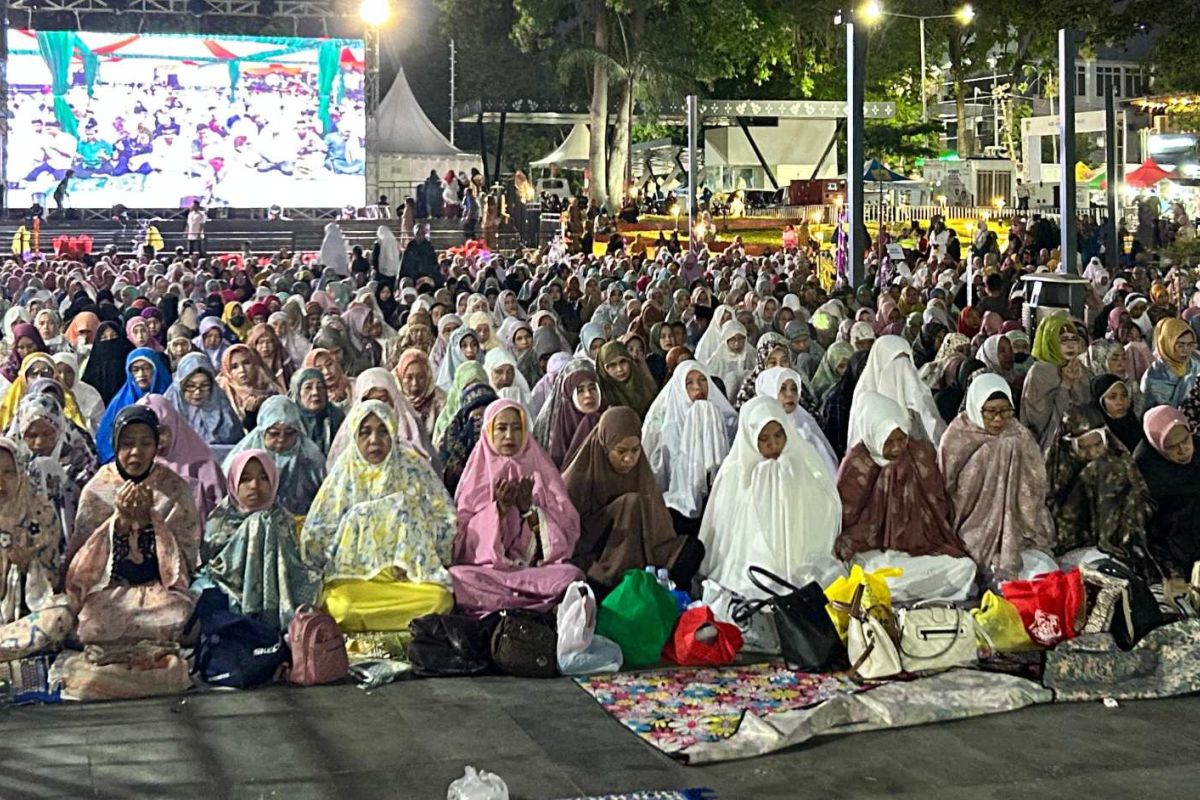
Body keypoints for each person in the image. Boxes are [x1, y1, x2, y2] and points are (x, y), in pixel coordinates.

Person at [300, 400, 455, 633]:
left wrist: (413, 557)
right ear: (355, 435)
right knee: (340, 607)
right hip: (356, 580)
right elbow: (317, 533)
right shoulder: (345, 472)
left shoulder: (413, 466)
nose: (375, 440)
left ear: (393, 432)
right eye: (365, 432)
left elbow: (445, 519)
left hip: (408, 581)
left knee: (439, 601)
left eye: (383, 431)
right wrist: (354, 523)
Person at [67, 406, 198, 644]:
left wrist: (151, 523)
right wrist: (120, 524)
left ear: (157, 446)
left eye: (146, 443)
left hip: (159, 589)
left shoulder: (175, 488)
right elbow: (83, 564)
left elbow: (186, 557)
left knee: (180, 616)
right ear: (116, 444)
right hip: (108, 588)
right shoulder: (97, 490)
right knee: (91, 624)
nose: (136, 452)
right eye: (127, 443)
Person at [835, 392, 976, 601]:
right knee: (881, 580)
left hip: (921, 546)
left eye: (901, 439)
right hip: (873, 550)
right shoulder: (858, 465)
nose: (897, 447)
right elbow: (845, 519)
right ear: (873, 435)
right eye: (888, 441)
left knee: (965, 567)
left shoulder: (917, 456)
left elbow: (937, 504)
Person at [699, 396, 843, 599]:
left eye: (779, 435)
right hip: (753, 558)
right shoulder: (736, 470)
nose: (773, 444)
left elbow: (824, 502)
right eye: (764, 439)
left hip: (799, 554)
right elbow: (726, 524)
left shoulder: (801, 460)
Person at [450, 400, 584, 615]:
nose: (510, 436)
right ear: (489, 432)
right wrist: (499, 510)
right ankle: (534, 603)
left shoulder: (540, 467)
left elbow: (566, 530)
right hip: (491, 572)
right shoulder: (477, 472)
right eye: (501, 428)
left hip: (534, 570)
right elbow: (462, 541)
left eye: (516, 428)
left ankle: (504, 604)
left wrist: (529, 510)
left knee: (571, 575)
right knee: (457, 577)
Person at [562, 407, 704, 592]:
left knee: (692, 549)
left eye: (635, 450)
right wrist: (618, 513)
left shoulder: (640, 471)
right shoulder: (578, 478)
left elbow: (658, 522)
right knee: (631, 505)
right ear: (605, 446)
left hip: (640, 542)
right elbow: (567, 535)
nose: (629, 459)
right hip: (597, 551)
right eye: (620, 451)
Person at [938, 374, 1056, 583]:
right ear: (976, 407)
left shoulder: (1019, 436)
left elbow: (1035, 485)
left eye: (1005, 411)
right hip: (970, 524)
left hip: (1019, 524)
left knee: (1041, 573)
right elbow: (945, 484)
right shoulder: (958, 436)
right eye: (990, 412)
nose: (999, 419)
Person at [197, 450, 321, 628]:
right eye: (245, 479)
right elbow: (213, 563)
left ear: (273, 481)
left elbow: (294, 566)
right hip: (228, 589)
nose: (254, 485)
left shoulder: (282, 519)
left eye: (263, 478)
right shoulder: (221, 519)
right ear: (233, 482)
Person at [1045, 405, 1154, 578]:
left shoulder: (1120, 461)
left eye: (1098, 444)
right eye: (1083, 447)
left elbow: (1143, 503)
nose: (1093, 452)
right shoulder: (1057, 466)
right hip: (1074, 548)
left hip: (1122, 546)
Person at [641, 360, 736, 534]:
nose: (698, 387)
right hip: (673, 502)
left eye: (702, 380)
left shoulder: (726, 417)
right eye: (689, 383)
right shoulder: (664, 421)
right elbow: (653, 466)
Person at [222, 396, 326, 518]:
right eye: (274, 433)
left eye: (290, 433)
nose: (281, 439)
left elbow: (324, 499)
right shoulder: (243, 457)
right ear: (262, 431)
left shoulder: (312, 458)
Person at [136, 395, 226, 524]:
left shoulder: (203, 464)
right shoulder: (135, 464)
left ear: (173, 425)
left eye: (161, 432)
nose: (156, 440)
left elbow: (217, 515)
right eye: (146, 434)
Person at [1133, 407, 1200, 577]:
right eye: (1172, 446)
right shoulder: (1145, 467)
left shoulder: (1197, 445)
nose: (1183, 450)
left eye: (1185, 439)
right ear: (1157, 446)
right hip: (1174, 537)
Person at [848, 335, 945, 451]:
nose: (902, 369)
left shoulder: (918, 392)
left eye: (906, 361)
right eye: (895, 362)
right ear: (879, 363)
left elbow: (933, 429)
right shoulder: (864, 398)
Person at [754, 366, 839, 478]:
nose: (790, 394)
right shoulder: (756, 435)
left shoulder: (808, 433)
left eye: (794, 389)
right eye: (782, 389)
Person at [1021, 315, 1091, 449]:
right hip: (1048, 447)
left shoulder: (1080, 368)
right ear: (1050, 341)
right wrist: (1065, 386)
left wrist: (1076, 384)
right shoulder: (1039, 373)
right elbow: (1037, 421)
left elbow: (1087, 408)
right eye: (1063, 340)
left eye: (1074, 339)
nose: (1071, 345)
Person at [95, 349, 171, 464]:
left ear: (156, 369)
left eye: (146, 368)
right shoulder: (120, 401)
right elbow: (105, 439)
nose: (141, 374)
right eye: (135, 370)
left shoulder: (171, 395)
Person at [164, 353, 244, 451]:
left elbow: (238, 448)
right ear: (180, 387)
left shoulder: (223, 408)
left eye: (205, 385)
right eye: (191, 386)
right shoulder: (168, 412)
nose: (198, 392)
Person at [217, 344, 279, 430]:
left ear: (254, 363)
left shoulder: (270, 388)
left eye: (246, 363)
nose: (242, 370)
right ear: (228, 371)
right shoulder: (222, 393)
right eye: (234, 367)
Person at [1142, 317, 1200, 409]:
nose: (1186, 350)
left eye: (1190, 345)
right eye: (1180, 345)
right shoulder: (1154, 376)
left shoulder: (1196, 365)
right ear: (1167, 344)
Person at [289, 367, 345, 457]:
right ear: (297, 393)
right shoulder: (289, 420)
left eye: (320, 387)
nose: (315, 392)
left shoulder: (337, 417)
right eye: (308, 387)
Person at [595, 340, 657, 420]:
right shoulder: (602, 397)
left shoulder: (642, 383)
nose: (619, 369)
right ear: (603, 369)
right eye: (612, 365)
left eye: (623, 361)